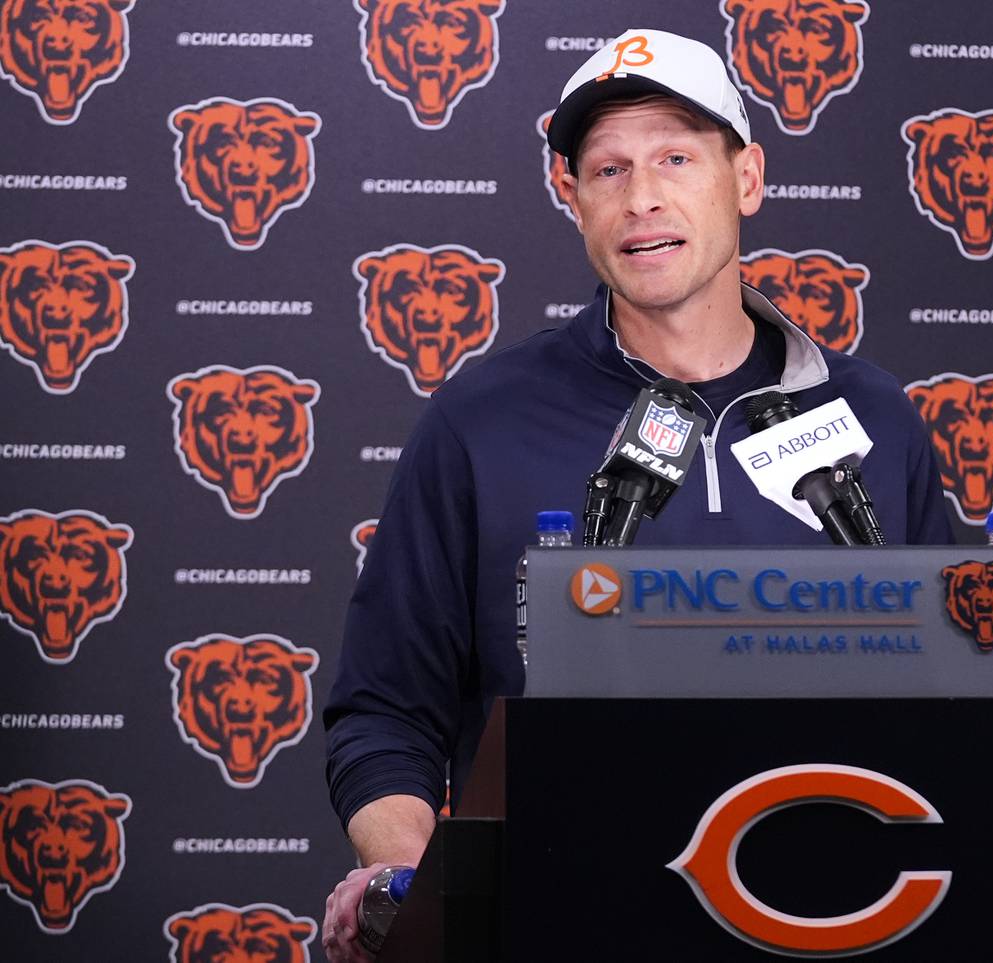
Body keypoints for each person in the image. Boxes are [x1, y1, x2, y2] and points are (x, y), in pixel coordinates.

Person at [320, 28, 954, 961]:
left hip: (834, 919)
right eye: (607, 169)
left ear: (747, 179)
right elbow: (384, 712)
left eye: (675, 157)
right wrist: (420, 890)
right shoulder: (478, 422)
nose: (642, 196)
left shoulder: (876, 421)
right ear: (570, 198)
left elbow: (964, 698)